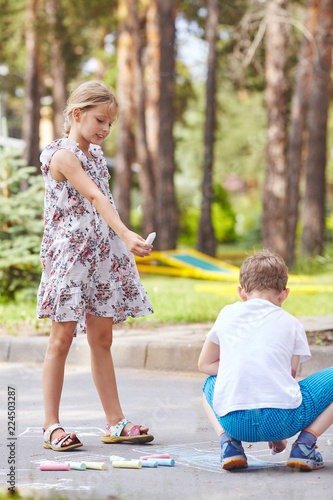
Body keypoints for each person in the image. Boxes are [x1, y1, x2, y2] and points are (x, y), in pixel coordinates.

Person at [37, 80, 154, 451]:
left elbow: (99, 202)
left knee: (102, 339)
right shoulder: (62, 156)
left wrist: (118, 244)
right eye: (99, 120)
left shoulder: (96, 156)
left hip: (100, 258)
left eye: (110, 123)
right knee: (62, 339)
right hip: (70, 259)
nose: (105, 129)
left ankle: (116, 422)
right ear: (77, 114)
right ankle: (51, 426)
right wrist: (127, 233)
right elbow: (94, 196)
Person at [198, 250, 333, 471]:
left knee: (208, 385)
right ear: (284, 294)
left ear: (241, 292)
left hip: (235, 423)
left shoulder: (227, 314)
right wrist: (277, 434)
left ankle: (229, 443)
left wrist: (236, 365)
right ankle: (305, 445)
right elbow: (287, 377)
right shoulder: (292, 324)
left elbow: (204, 365)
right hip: (284, 421)